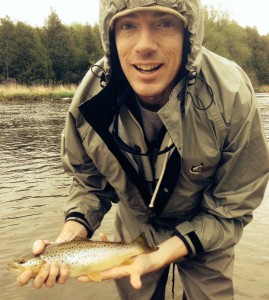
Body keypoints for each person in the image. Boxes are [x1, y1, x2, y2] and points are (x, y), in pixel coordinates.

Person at [17, 0, 269, 299]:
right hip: (136, 220)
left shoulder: (232, 96)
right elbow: (89, 183)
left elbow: (232, 207)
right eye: (128, 25)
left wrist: (167, 251)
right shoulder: (89, 103)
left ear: (188, 34)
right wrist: (72, 235)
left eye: (164, 23)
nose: (144, 45)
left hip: (208, 219)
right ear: (111, 37)